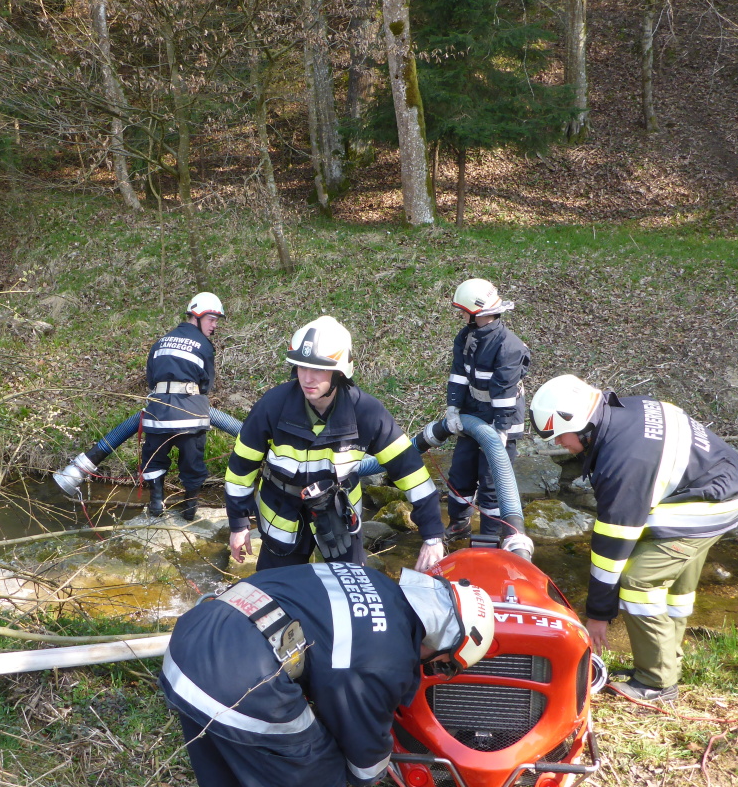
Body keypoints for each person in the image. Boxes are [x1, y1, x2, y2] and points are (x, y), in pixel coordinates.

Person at [160, 562, 495, 787]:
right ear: (441, 640)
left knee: (222, 762)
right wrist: (367, 776)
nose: (428, 668)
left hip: (189, 647)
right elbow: (363, 746)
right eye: (441, 665)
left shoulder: (372, 577)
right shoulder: (385, 658)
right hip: (236, 680)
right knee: (321, 770)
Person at [529, 374, 738, 703]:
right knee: (671, 578)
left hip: (712, 502)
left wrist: (598, 615)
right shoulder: (626, 409)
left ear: (578, 423)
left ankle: (657, 683)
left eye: (558, 436)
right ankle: (667, 657)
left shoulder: (622, 463)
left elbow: (611, 548)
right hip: (724, 483)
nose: (557, 444)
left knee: (638, 582)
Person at [224, 316, 447, 572]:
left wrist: (432, 535)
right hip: (282, 515)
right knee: (274, 589)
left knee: (352, 589)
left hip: (340, 515)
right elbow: (240, 469)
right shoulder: (272, 406)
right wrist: (239, 524)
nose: (307, 378)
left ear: (339, 372)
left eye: (318, 369)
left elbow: (411, 472)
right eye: (302, 367)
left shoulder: (366, 413)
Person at [442, 279, 531, 544]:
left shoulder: (508, 346)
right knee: (461, 473)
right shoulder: (466, 336)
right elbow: (459, 374)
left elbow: (504, 392)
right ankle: (459, 525)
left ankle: (492, 538)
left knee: (492, 483)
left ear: (477, 311)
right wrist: (453, 407)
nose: (461, 315)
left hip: (503, 417)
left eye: (463, 311)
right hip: (474, 413)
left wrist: (500, 430)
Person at [139, 292, 224, 520]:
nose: (214, 325)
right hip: (190, 414)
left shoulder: (161, 342)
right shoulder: (203, 345)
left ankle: (156, 504)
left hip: (158, 412)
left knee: (154, 458)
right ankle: (189, 509)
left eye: (216, 321)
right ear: (196, 316)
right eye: (211, 320)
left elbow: (151, 380)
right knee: (192, 462)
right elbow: (206, 384)